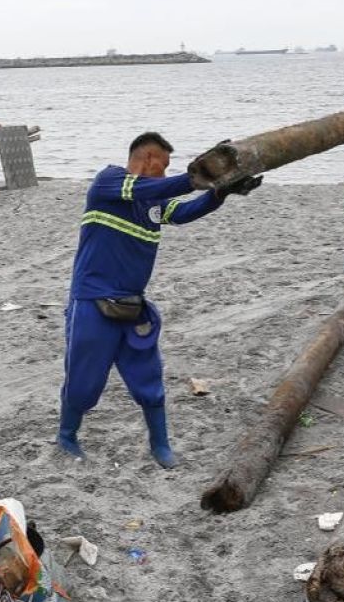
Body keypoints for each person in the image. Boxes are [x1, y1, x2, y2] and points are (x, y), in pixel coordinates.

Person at [58, 132, 259, 467]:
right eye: (163, 167)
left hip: (133, 306)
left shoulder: (151, 202)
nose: (164, 175)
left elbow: (182, 212)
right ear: (148, 159)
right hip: (92, 303)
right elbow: (164, 188)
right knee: (84, 381)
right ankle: (67, 434)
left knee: (148, 379)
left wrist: (220, 192)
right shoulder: (108, 183)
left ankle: (160, 445)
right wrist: (195, 178)